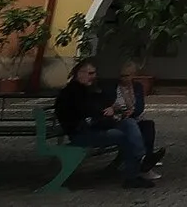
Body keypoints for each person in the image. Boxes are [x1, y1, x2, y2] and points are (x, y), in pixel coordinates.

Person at [51, 60, 156, 189]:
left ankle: (141, 158)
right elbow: (86, 115)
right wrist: (105, 115)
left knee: (129, 123)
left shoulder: (89, 90)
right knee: (123, 136)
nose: (93, 76)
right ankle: (134, 173)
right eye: (90, 73)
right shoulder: (71, 92)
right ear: (79, 73)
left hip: (97, 127)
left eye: (94, 73)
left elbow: (101, 108)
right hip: (82, 133)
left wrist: (111, 109)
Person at [112, 60, 165, 170]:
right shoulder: (114, 88)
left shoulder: (137, 87)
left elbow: (140, 106)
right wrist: (120, 111)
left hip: (134, 117)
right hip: (120, 119)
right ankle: (143, 157)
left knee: (148, 126)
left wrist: (133, 111)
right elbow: (110, 105)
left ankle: (148, 157)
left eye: (127, 76)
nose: (123, 78)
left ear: (133, 75)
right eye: (121, 76)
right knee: (131, 126)